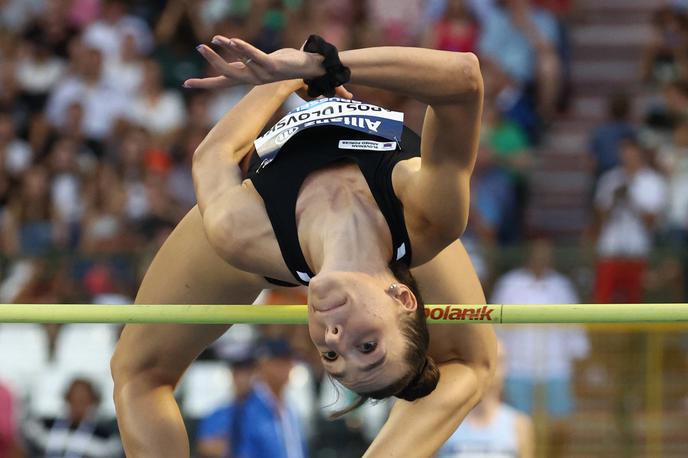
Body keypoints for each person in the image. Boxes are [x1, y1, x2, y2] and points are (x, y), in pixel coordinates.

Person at [111, 35, 497, 457]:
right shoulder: (429, 216)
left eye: (330, 355)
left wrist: (277, 83)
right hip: (396, 225)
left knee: (136, 372)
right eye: (366, 346)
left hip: (273, 231)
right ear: (403, 297)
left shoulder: (240, 233)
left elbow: (215, 155)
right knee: (471, 364)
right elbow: (463, 80)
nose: (332, 336)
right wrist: (317, 66)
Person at [491, 238, 588, 456]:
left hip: (556, 366)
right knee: (518, 426)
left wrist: (579, 365)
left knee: (561, 426)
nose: (541, 258)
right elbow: (495, 329)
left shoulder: (562, 286)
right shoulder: (509, 284)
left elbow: (575, 328)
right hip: (518, 366)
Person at [197, 340, 307, 458]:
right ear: (264, 365)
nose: (288, 367)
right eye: (281, 362)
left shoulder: (290, 410)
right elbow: (209, 446)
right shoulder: (244, 409)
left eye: (289, 362)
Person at [437, 343, 535, 458]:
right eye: (485, 360)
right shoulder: (445, 423)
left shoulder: (519, 425)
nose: (492, 368)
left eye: (499, 361)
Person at [23, 378, 122, 458]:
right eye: (73, 399)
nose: (77, 405)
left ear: (93, 402)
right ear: (67, 399)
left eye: (83, 400)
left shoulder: (104, 435)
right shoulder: (46, 426)